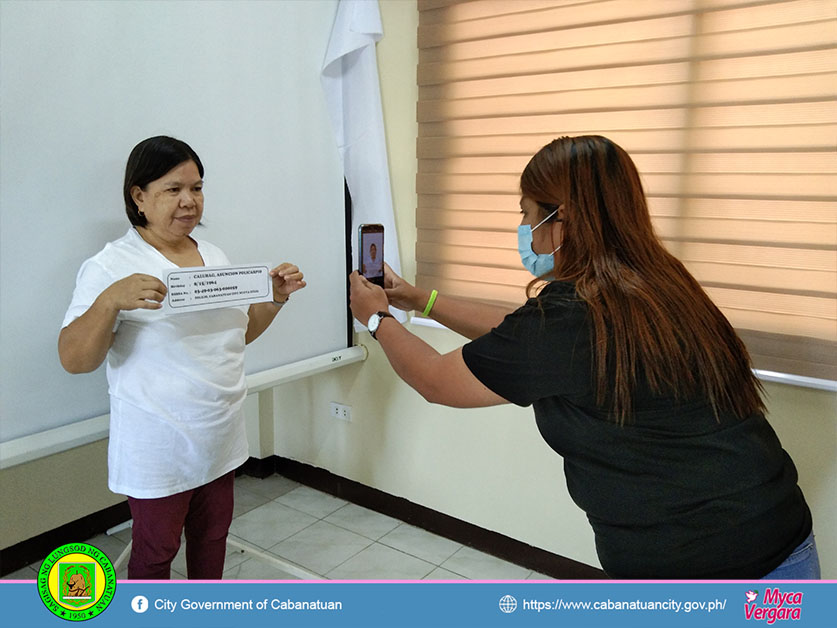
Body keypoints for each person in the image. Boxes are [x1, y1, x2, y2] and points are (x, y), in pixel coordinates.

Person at [348, 135, 818, 579]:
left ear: (564, 219)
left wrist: (376, 320)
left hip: (701, 572)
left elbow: (436, 380)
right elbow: (526, 336)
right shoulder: (658, 283)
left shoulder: (573, 315)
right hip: (783, 542)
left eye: (528, 214)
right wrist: (420, 300)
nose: (525, 230)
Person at [58, 136, 306, 579]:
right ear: (139, 196)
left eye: (197, 188)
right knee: (156, 553)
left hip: (221, 437)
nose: (189, 202)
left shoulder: (213, 256)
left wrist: (273, 299)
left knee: (212, 540)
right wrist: (109, 302)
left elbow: (236, 335)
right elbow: (75, 359)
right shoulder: (111, 265)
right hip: (160, 445)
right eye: (173, 189)